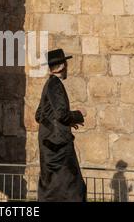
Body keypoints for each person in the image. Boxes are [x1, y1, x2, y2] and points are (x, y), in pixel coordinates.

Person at [35, 49, 87, 202]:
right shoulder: (56, 85)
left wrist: (67, 123)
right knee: (73, 188)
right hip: (59, 147)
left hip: (48, 145)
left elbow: (39, 116)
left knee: (52, 187)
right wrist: (78, 114)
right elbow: (61, 114)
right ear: (63, 66)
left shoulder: (48, 85)